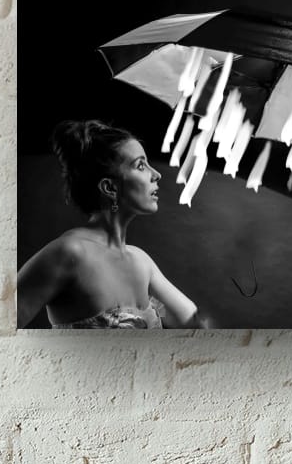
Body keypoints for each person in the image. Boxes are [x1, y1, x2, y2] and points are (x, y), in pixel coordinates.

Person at [17, 120, 207, 329]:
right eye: (140, 165)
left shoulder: (141, 260)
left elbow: (194, 324)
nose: (156, 174)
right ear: (110, 187)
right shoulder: (69, 253)